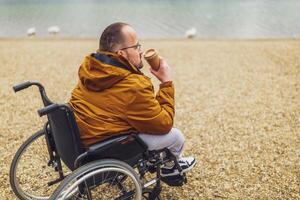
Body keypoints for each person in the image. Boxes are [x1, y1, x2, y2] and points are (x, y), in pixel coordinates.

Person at [69, 22, 196, 177]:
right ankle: (170, 167)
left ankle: (156, 160)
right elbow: (164, 124)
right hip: (106, 149)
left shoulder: (91, 69)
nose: (141, 51)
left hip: (81, 142)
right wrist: (166, 83)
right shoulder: (132, 85)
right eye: (136, 47)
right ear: (121, 54)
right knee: (176, 137)